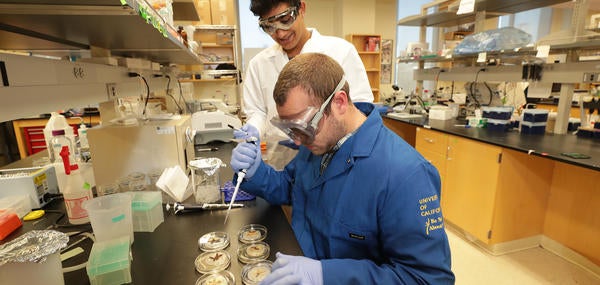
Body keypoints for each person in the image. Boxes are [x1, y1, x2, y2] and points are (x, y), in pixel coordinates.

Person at [231, 53, 455, 284]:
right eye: (289, 129)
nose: (297, 141)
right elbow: (292, 187)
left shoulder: (406, 176)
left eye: (302, 127)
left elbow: (427, 279)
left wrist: (327, 275)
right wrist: (256, 172)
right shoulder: (318, 141)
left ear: (338, 102)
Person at [241, 0, 374, 169]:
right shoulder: (258, 64)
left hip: (334, 159)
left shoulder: (341, 51)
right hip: (281, 160)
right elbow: (257, 111)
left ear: (301, 9)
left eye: (285, 20)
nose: (280, 33)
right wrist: (253, 131)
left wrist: (318, 133)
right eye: (269, 27)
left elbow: (360, 108)